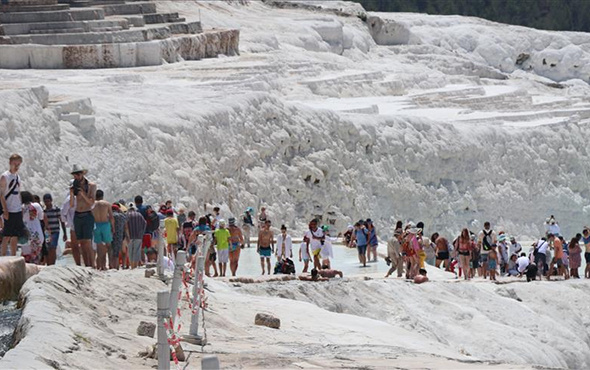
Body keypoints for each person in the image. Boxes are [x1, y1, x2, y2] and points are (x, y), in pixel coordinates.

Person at [70, 164, 97, 267]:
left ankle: (92, 265)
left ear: (82, 174)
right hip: (77, 215)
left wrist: (82, 194)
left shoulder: (91, 186)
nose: (76, 177)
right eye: (74, 175)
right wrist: (72, 193)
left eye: (77, 174)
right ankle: (86, 265)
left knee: (87, 242)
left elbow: (91, 202)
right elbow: (72, 205)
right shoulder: (74, 186)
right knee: (81, 242)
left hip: (87, 214)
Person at [0, 154, 23, 257]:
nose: (17, 166)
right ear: (10, 163)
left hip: (17, 209)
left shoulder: (18, 177)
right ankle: (3, 256)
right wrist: (5, 210)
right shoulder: (5, 176)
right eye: (15, 163)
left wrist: (20, 207)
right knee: (6, 235)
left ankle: (13, 256)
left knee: (15, 235)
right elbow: (1, 194)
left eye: (18, 164)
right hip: (9, 209)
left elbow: (18, 193)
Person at [92, 190, 114, 270]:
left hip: (96, 225)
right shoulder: (107, 204)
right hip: (105, 225)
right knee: (109, 246)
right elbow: (111, 217)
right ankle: (110, 264)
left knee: (99, 246)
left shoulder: (92, 204)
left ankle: (100, 265)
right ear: (102, 196)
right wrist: (113, 227)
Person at [42, 193, 66, 266]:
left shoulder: (56, 209)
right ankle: (49, 264)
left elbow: (61, 221)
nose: (47, 203)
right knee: (48, 248)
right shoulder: (43, 211)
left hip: (55, 231)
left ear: (51, 200)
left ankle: (52, 264)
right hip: (47, 233)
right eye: (45, 201)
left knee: (53, 248)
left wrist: (64, 233)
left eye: (48, 201)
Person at [20, 191, 43, 264]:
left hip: (26, 234)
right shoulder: (36, 205)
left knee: (27, 257)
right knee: (36, 256)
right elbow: (41, 217)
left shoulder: (21, 208)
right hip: (37, 234)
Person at [125, 204, 146, 269]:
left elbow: (125, 226)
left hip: (130, 236)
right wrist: (142, 232)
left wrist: (127, 235)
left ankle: (132, 266)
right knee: (137, 251)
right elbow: (144, 223)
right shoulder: (139, 215)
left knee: (130, 251)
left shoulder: (127, 215)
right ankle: (135, 266)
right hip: (138, 235)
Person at [110, 204, 127, 270]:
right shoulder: (122, 216)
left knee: (111, 250)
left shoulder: (110, 215)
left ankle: (111, 266)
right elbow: (126, 226)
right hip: (120, 235)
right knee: (117, 252)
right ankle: (116, 267)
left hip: (111, 234)